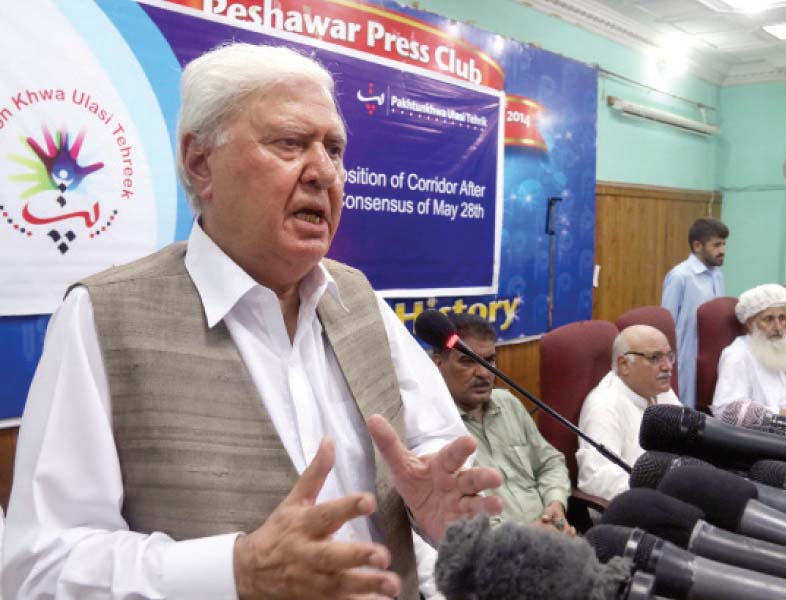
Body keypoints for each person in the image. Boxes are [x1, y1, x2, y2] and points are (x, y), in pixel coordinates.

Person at [2, 43, 502, 600]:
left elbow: (434, 452)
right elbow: (38, 566)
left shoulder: (360, 301)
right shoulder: (102, 317)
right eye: (290, 143)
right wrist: (233, 571)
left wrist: (431, 511)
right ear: (199, 162)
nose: (323, 173)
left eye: (334, 149)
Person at [431, 313, 574, 535]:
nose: (483, 372)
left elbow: (550, 463)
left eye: (489, 361)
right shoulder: (433, 428)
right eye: (468, 361)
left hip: (554, 534)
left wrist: (555, 505)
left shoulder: (508, 404)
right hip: (498, 555)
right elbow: (461, 519)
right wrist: (533, 536)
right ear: (438, 364)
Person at [577, 325, 682, 502]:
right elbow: (597, 477)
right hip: (640, 506)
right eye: (655, 358)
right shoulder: (603, 405)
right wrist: (664, 490)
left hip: (678, 484)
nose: (667, 366)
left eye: (669, 356)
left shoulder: (661, 390)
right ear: (624, 364)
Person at [662, 217, 729, 409]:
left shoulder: (717, 274)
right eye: (716, 245)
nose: (722, 250)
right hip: (686, 358)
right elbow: (667, 324)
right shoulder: (680, 276)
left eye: (723, 244)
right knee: (685, 410)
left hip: (713, 356)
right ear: (698, 245)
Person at [712, 284, 786, 417]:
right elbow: (726, 409)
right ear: (749, 324)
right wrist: (783, 415)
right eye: (769, 319)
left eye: (782, 318)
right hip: (777, 434)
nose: (778, 327)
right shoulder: (737, 355)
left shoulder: (782, 350)